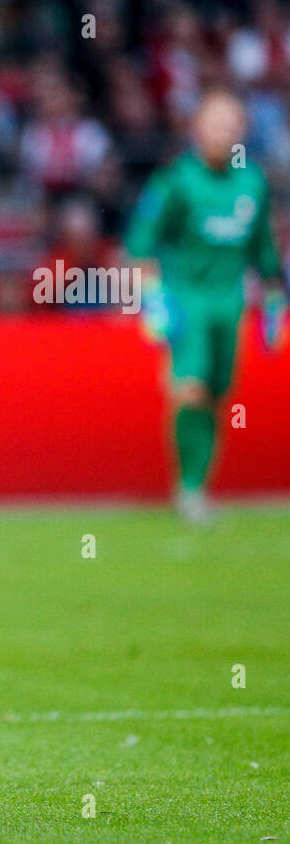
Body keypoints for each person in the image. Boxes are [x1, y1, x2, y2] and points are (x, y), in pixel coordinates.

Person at [125, 89, 286, 524]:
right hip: (185, 301)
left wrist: (275, 302)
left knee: (217, 395)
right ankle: (189, 489)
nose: (224, 132)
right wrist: (152, 300)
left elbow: (264, 251)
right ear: (197, 128)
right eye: (216, 123)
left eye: (233, 125)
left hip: (229, 304)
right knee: (190, 390)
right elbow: (140, 244)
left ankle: (199, 483)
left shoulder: (251, 183)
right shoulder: (176, 182)